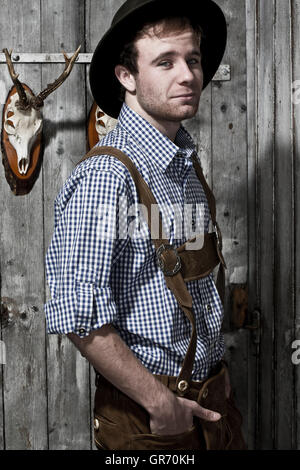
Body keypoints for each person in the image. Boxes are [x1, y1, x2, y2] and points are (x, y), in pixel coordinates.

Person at [44, 0, 246, 450]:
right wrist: (159, 402)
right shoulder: (106, 178)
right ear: (127, 77)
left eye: (192, 59)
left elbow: (192, 286)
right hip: (149, 423)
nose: (189, 75)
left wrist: (217, 376)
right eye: (165, 62)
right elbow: (78, 314)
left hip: (212, 409)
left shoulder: (184, 166)